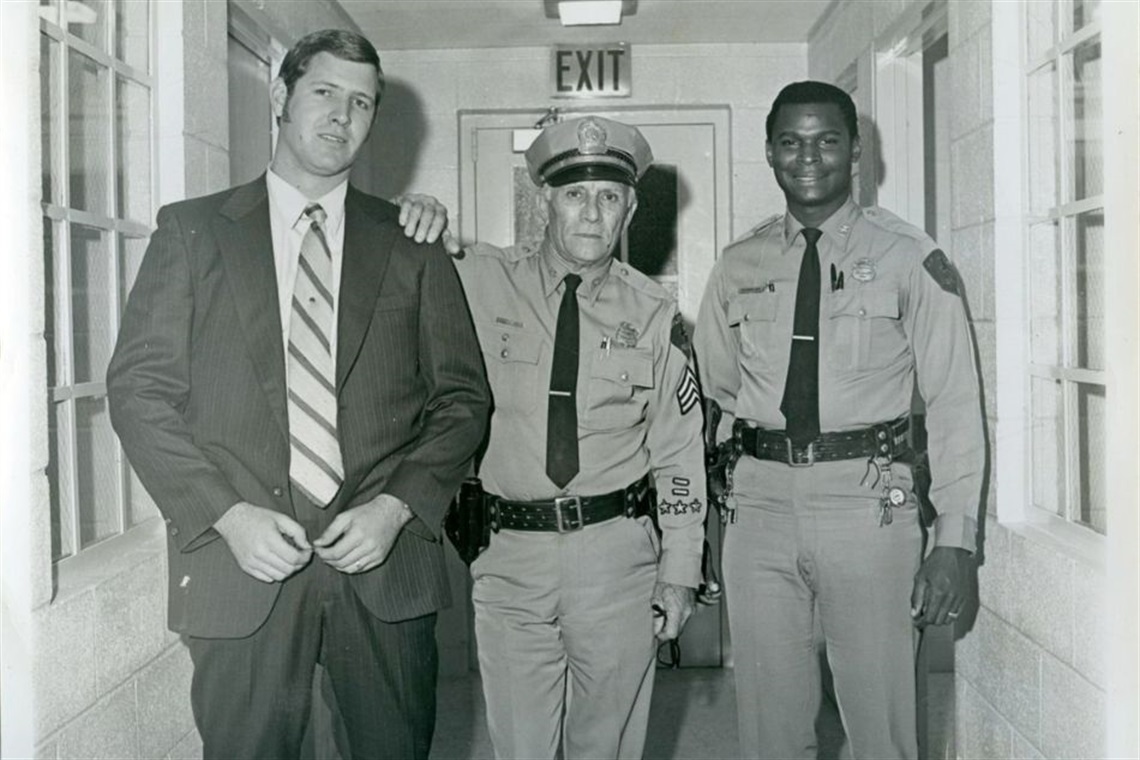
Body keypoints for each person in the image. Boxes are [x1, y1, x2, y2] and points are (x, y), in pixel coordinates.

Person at [106, 29, 490, 760]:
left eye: (362, 103)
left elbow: (463, 400)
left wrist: (395, 507)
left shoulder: (411, 241)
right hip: (242, 564)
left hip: (383, 565)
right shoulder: (193, 232)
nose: (342, 115)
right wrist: (226, 516)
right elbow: (138, 391)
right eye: (324, 92)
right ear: (281, 96)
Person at [694, 80, 982, 759]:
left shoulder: (909, 256)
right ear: (770, 152)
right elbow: (714, 396)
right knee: (769, 728)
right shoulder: (738, 264)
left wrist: (955, 539)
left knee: (882, 727)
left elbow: (954, 401)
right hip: (759, 510)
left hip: (868, 506)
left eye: (826, 140)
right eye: (790, 142)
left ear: (855, 151)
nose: (808, 157)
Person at [450, 115, 707, 759]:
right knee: (521, 747)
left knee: (606, 748)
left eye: (609, 196)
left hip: (616, 560)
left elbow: (679, 455)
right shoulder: (478, 279)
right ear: (545, 200)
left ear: (630, 208)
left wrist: (680, 572)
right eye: (574, 194)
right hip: (511, 557)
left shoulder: (655, 316)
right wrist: (414, 214)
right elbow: (399, 259)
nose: (592, 214)